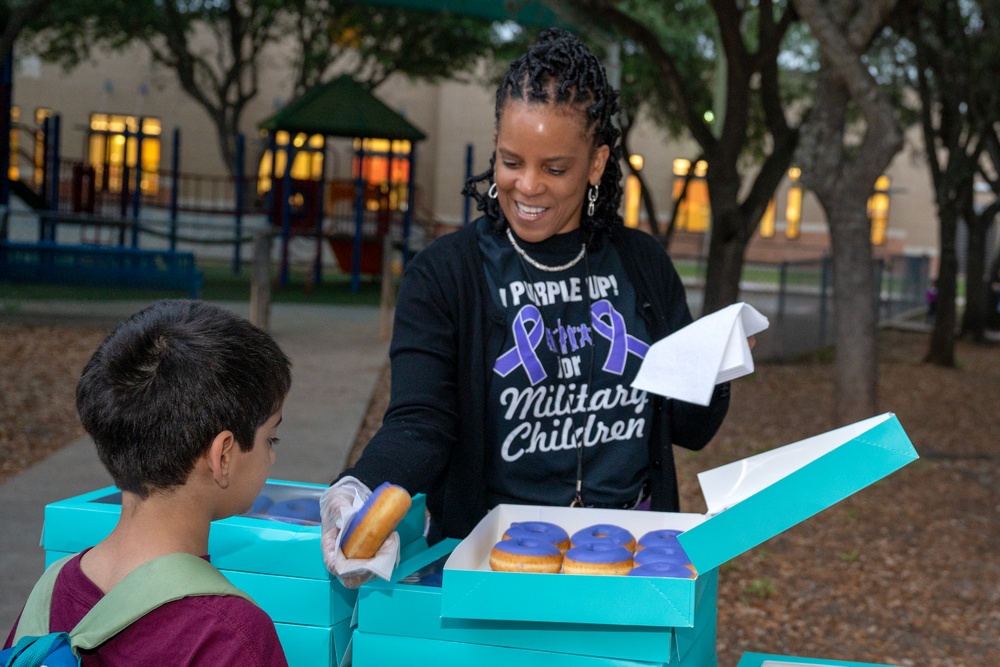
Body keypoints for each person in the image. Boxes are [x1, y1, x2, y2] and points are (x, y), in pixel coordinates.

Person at [322, 29, 732, 577]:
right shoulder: (447, 276)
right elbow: (421, 422)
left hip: (628, 564)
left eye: (555, 168)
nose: (528, 186)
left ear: (596, 163)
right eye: (511, 161)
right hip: (495, 565)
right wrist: (359, 487)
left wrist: (717, 362)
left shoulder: (642, 264)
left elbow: (689, 428)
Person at [3, 300, 292, 666]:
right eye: (271, 438)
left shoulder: (47, 597)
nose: (272, 456)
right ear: (223, 456)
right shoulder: (230, 636)